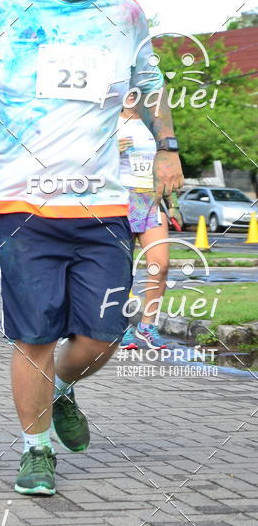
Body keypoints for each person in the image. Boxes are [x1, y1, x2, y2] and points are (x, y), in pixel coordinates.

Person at [0, 0, 183, 495]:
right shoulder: (7, 7)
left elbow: (150, 86)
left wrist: (167, 148)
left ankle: (64, 390)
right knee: (34, 337)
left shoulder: (125, 13)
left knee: (103, 334)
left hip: (102, 202)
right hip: (23, 201)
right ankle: (35, 450)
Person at [118, 94, 170, 349]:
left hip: (150, 200)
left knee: (160, 265)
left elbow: (168, 163)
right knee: (118, 271)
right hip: (117, 200)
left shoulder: (155, 124)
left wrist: (174, 203)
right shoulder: (107, 121)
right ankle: (122, 327)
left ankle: (147, 326)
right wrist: (109, 150)